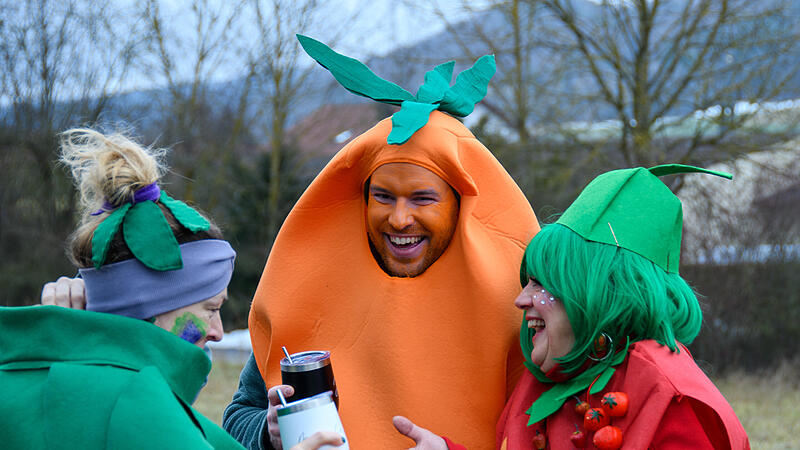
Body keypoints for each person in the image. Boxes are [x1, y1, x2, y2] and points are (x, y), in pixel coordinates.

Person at [223, 36, 539, 449]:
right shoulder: (309, 292)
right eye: (383, 197)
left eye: (423, 198)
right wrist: (268, 433)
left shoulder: (518, 306)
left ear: (460, 206)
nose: (399, 218)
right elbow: (238, 416)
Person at [10, 128, 344, 450]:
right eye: (210, 309)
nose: (218, 332)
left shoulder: (39, 380)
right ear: (145, 307)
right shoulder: (144, 412)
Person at [394, 165, 750, 449]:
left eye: (542, 284)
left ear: (601, 293)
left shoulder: (673, 400)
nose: (521, 300)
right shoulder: (553, 379)